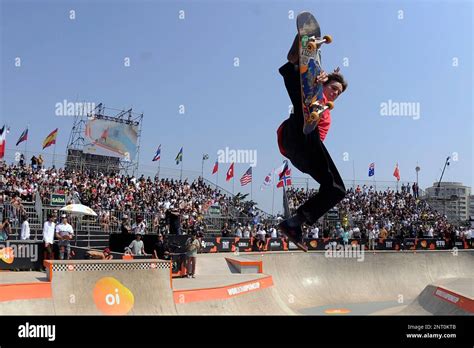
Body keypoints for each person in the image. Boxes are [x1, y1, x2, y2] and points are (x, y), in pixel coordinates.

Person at [276, 34, 348, 249]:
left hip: (304, 151)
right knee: (305, 99)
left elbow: (318, 143)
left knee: (337, 190)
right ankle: (295, 62)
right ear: (326, 83)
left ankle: (293, 223)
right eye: (334, 88)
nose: (335, 94)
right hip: (292, 134)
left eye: (339, 93)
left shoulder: (327, 114)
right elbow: (316, 86)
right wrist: (317, 73)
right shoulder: (317, 86)